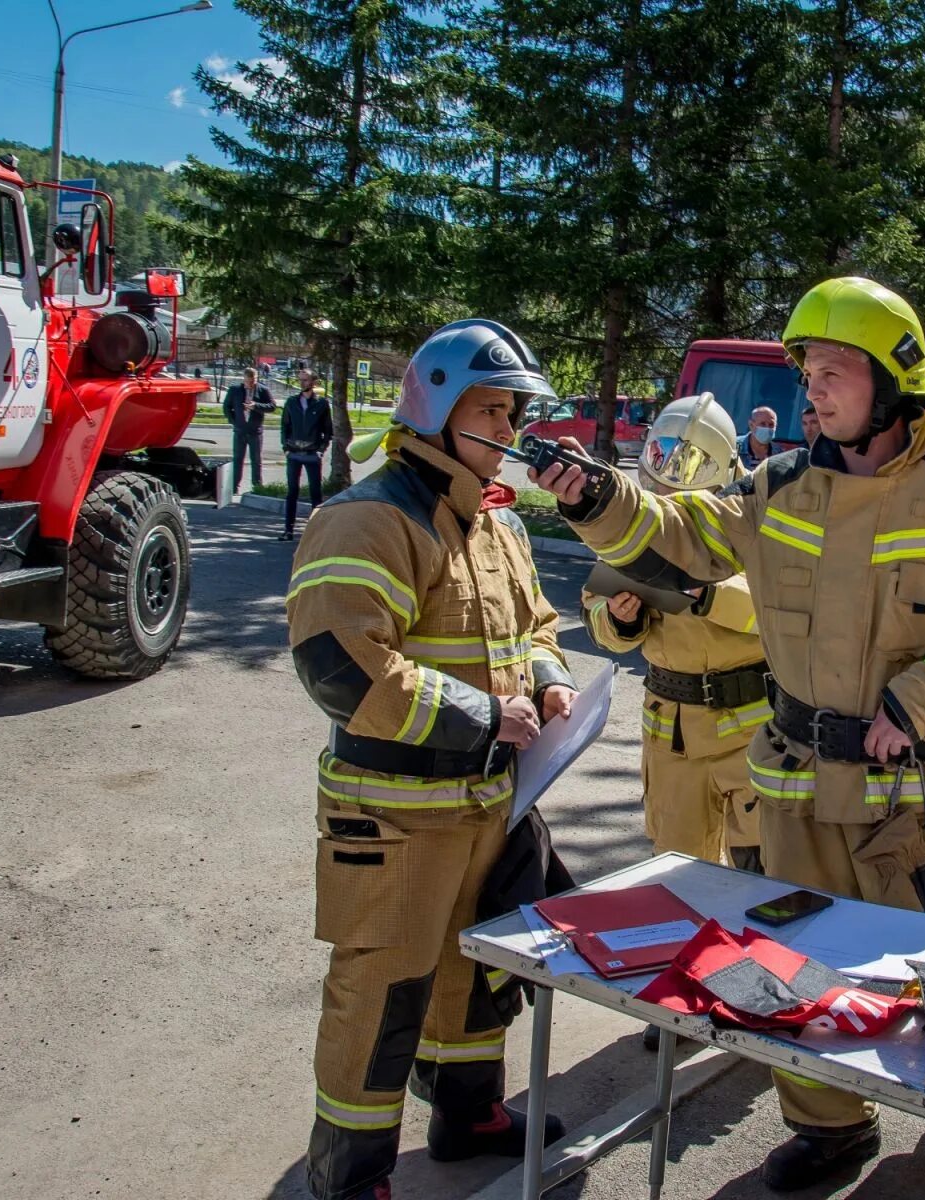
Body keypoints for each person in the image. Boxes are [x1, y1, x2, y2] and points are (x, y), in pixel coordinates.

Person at [535, 276, 925, 1191]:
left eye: (835, 370)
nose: (812, 389)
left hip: (909, 798)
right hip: (796, 785)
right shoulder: (777, 485)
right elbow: (678, 538)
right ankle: (831, 1126)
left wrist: (910, 707)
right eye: (808, 370)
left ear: (894, 381)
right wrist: (595, 495)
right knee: (793, 970)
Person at [285, 319, 577, 1200]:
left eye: (514, 413)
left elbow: (534, 627)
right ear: (437, 408)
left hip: (484, 807)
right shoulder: (368, 517)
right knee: (380, 998)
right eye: (491, 410)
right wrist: (490, 716)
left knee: (476, 979)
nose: (509, 433)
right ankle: (350, 1175)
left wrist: (551, 679)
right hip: (396, 817)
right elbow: (341, 662)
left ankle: (467, 1116)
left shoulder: (496, 523)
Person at [581, 394, 768, 873]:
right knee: (674, 882)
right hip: (672, 743)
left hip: (750, 736)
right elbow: (597, 616)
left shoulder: (751, 518)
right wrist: (622, 619)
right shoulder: (637, 525)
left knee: (765, 882)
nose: (667, 496)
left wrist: (704, 591)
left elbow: (776, 614)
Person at [281, 368, 334, 540]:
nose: (302, 383)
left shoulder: (322, 404)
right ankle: (288, 530)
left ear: (313, 382)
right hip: (294, 453)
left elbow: (328, 431)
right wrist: (286, 448)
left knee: (315, 492)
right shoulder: (291, 402)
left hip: (312, 453)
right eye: (300, 380)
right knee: (292, 491)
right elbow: (285, 427)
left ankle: (316, 532)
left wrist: (320, 450)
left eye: (305, 380)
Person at [223, 366, 275, 491]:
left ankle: (257, 486)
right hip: (240, 430)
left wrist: (256, 405)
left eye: (252, 381)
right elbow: (226, 407)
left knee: (256, 460)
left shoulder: (263, 390)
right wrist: (234, 421)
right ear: (244, 379)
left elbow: (272, 406)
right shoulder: (235, 390)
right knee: (238, 459)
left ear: (256, 379)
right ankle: (234, 485)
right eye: (247, 381)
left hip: (255, 431)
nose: (250, 384)